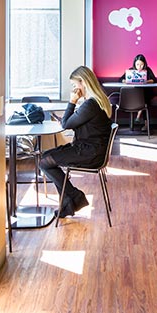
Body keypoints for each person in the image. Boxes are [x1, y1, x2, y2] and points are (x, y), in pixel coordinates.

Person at [39, 66, 114, 218]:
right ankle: (70, 201)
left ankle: (74, 198)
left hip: (89, 153)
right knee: (46, 157)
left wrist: (72, 101)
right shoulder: (98, 101)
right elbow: (73, 122)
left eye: (74, 85)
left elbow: (66, 124)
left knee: (44, 162)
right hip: (91, 149)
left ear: (83, 83)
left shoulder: (90, 105)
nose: (74, 89)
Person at [118, 54, 157, 121]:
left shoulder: (148, 70)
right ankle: (143, 122)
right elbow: (120, 79)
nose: (139, 67)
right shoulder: (131, 71)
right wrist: (127, 80)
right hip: (133, 94)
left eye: (141, 64)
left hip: (146, 92)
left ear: (144, 64)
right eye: (137, 64)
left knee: (145, 98)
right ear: (134, 64)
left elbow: (154, 80)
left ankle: (140, 118)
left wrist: (145, 81)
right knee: (144, 101)